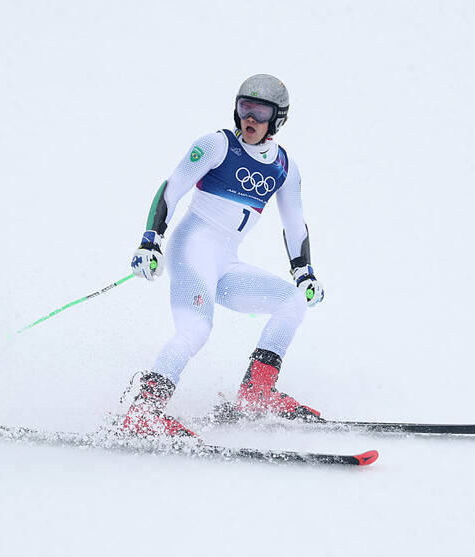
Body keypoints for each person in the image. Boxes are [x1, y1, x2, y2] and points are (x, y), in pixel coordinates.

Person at [122, 74, 325, 438]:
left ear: (277, 120)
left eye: (261, 112)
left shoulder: (285, 168)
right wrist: (150, 241)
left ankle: (257, 392)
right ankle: (143, 411)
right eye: (245, 108)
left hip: (225, 262)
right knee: (196, 329)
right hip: (192, 249)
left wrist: (304, 272)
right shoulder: (217, 145)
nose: (250, 119)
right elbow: (173, 188)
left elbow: (296, 225)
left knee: (292, 301)